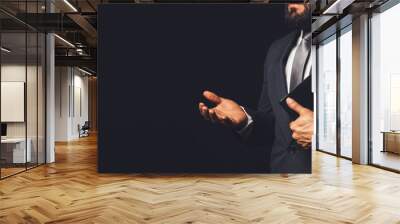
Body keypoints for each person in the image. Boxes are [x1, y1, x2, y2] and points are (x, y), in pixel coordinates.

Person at [198, 3, 313, 173]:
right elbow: (274, 124)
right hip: (282, 179)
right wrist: (245, 120)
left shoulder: (357, 34)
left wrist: (327, 135)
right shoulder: (276, 50)